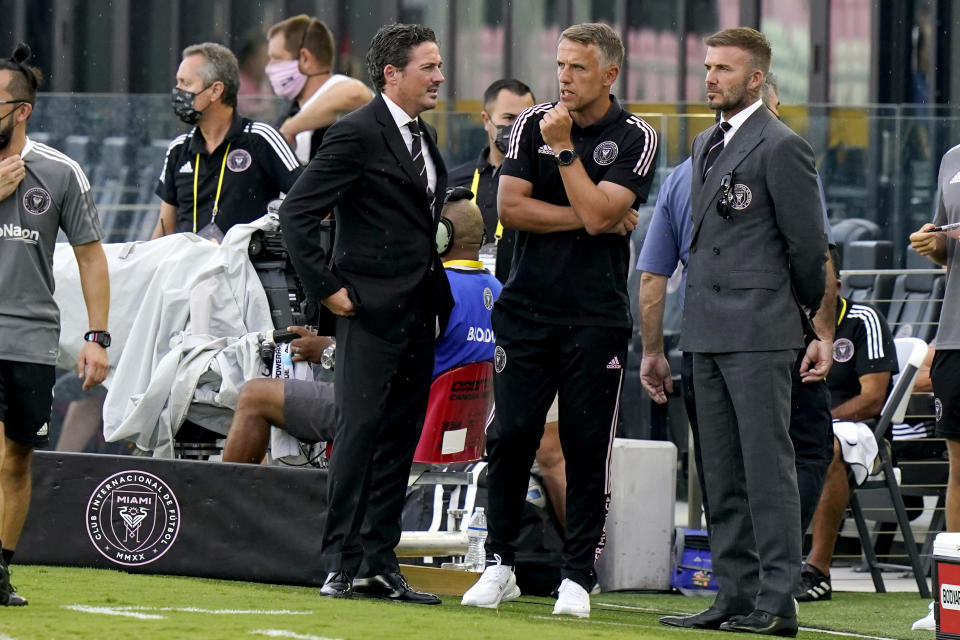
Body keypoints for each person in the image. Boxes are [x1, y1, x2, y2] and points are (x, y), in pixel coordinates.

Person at [461, 23, 658, 619]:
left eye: (577, 67)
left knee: (584, 444)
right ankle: (499, 564)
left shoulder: (637, 136)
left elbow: (605, 216)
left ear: (609, 75)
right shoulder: (528, 123)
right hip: (525, 310)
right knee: (510, 435)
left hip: (595, 315)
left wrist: (568, 154)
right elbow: (511, 207)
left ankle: (578, 575)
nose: (564, 77)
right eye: (560, 65)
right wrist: (592, 214)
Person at [657, 28, 827, 636]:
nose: (710, 78)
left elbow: (809, 250)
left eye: (723, 69)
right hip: (704, 328)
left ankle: (777, 600)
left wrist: (804, 320)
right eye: (707, 67)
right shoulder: (705, 142)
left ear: (756, 78)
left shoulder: (782, 146)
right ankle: (733, 594)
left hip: (760, 329)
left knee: (767, 469)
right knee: (720, 474)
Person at [279, 23, 453, 604]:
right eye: (428, 66)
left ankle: (381, 561)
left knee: (400, 438)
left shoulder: (423, 137)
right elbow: (298, 213)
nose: (439, 76)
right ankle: (340, 562)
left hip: (419, 311)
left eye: (438, 65)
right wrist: (327, 291)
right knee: (358, 434)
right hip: (369, 312)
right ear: (392, 74)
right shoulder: (356, 133)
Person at [639, 75, 837, 536]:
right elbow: (817, 258)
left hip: (703, 337)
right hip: (772, 337)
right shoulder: (783, 153)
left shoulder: (681, 175)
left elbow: (652, 278)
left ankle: (738, 584)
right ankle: (780, 579)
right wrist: (821, 333)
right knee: (793, 458)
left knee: (719, 467)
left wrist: (652, 351)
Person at [224, 191, 501, 464]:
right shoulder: (497, 291)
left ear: (441, 236)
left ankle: (221, 508)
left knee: (254, 395)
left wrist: (328, 352)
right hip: (445, 431)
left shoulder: (432, 290)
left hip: (386, 415)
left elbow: (382, 364)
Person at [0, 43, 110, 605]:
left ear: (22, 110)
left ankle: (0, 570)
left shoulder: (60, 171)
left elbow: (91, 254)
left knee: (15, 457)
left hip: (30, 337)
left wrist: (96, 337)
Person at [796, 256, 898, 602]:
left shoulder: (863, 319)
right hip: (802, 423)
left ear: (837, 285)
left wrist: (822, 421)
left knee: (830, 446)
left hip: (860, 431)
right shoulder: (788, 320)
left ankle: (817, 570)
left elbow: (872, 400)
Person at [152, 42, 302, 240]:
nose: (177, 91)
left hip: (247, 267)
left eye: (185, 83)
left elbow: (309, 200)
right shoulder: (178, 149)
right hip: (188, 268)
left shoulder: (261, 138)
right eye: (178, 82)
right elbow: (165, 228)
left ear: (215, 90)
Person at [909, 144, 960, 631]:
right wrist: (935, 244)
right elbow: (948, 247)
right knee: (959, 467)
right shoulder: (953, 159)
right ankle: (955, 597)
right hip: (956, 335)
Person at [449, 78, 535, 282]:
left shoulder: (545, 181)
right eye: (509, 118)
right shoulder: (455, 181)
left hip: (526, 300)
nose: (518, 126)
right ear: (486, 120)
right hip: (469, 294)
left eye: (525, 118)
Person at [265, 15, 372, 164]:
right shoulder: (292, 110)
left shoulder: (340, 88)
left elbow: (356, 94)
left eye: (276, 59)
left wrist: (290, 129)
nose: (269, 68)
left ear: (305, 58)